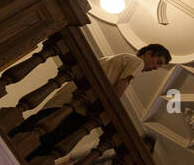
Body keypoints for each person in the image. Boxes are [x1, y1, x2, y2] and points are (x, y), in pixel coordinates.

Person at [10, 44, 171, 157]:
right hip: (77, 110)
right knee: (44, 143)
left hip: (61, 101)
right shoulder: (137, 62)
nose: (156, 68)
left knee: (30, 129)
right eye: (158, 62)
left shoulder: (113, 58)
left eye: (160, 66)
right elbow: (122, 85)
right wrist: (110, 110)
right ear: (148, 53)